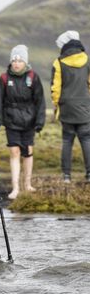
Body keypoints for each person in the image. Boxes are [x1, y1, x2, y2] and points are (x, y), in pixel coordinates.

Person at [0, 45, 45, 197]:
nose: (16, 63)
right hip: (11, 120)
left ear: (25, 62)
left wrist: (40, 121)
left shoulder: (33, 77)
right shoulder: (4, 78)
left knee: (28, 151)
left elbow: (40, 101)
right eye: (14, 60)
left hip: (29, 121)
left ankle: (27, 184)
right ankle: (15, 187)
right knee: (14, 152)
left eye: (20, 60)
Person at [51, 31, 90, 183]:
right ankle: (89, 174)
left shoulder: (59, 62)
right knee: (86, 139)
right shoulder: (87, 60)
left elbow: (56, 88)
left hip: (66, 107)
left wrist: (56, 104)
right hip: (84, 107)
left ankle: (66, 176)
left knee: (67, 140)